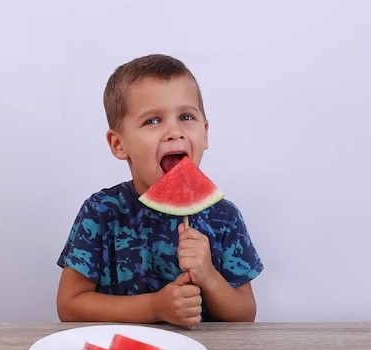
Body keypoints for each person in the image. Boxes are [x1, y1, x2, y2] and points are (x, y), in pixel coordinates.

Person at [56, 54, 263, 327]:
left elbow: (245, 314)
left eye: (186, 117)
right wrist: (154, 307)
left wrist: (209, 276)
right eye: (152, 121)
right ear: (119, 144)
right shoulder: (101, 213)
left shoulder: (225, 217)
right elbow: (69, 306)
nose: (174, 132)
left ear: (205, 132)